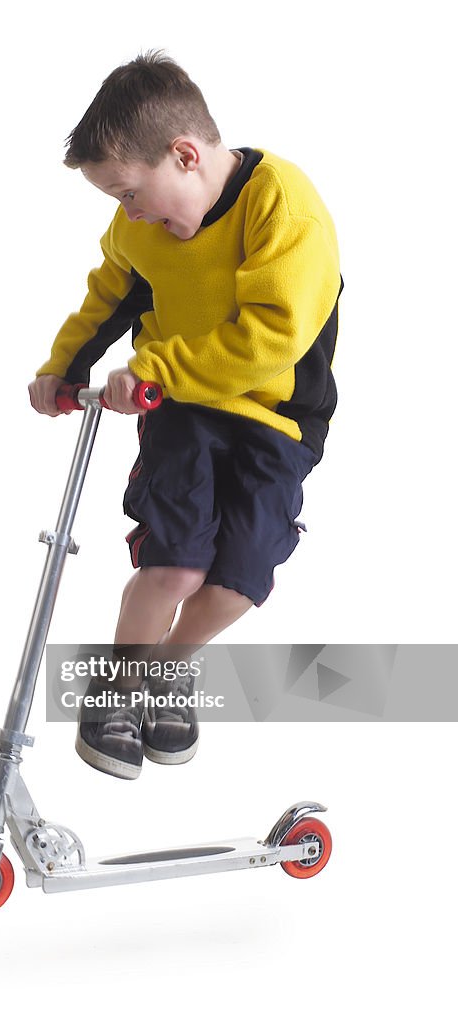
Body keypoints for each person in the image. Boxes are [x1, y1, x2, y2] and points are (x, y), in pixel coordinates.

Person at [28, 50, 343, 781]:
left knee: (238, 581)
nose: (128, 213)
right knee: (174, 565)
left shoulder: (283, 206)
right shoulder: (139, 231)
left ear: (185, 154)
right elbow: (108, 295)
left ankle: (164, 673)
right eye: (116, 200)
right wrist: (63, 368)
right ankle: (117, 689)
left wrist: (153, 366)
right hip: (181, 412)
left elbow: (272, 338)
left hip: (279, 418)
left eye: (131, 192)